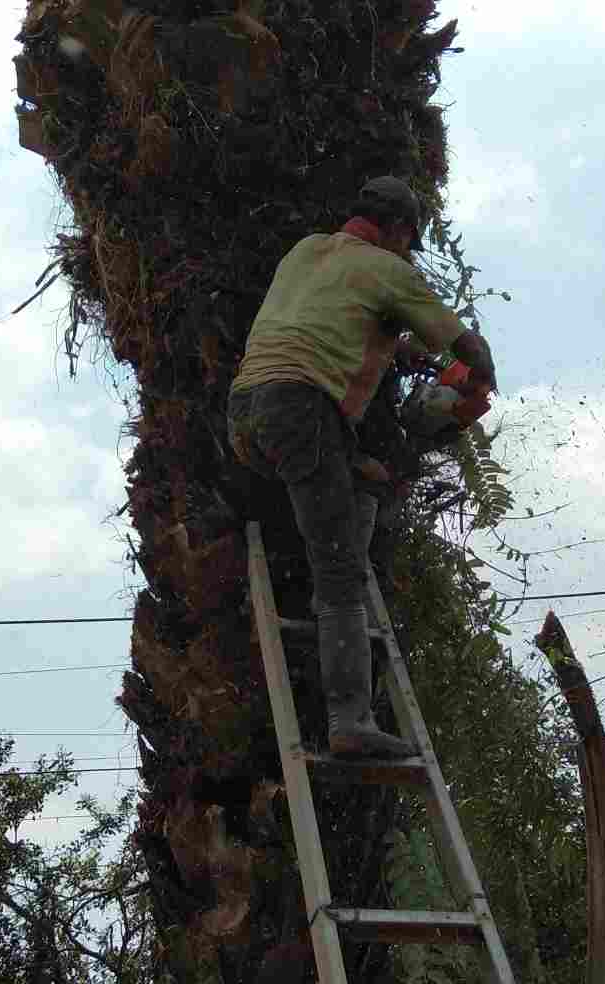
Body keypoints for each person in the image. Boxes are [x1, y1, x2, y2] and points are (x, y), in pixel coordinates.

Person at [227, 175, 497, 759]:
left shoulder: (308, 250)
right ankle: (350, 719)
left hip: (247, 412)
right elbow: (465, 346)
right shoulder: (390, 269)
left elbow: (339, 319)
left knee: (363, 475)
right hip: (301, 411)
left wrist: (406, 353)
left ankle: (359, 490)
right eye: (407, 240)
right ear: (399, 230)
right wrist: (480, 379)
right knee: (341, 572)